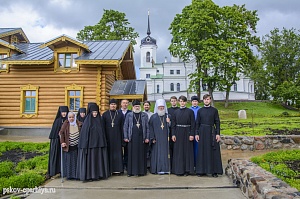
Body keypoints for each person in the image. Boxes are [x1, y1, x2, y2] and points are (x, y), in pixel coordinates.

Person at [77, 104, 109, 181]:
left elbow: (102, 132)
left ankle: (98, 175)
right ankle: (89, 176)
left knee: (98, 161)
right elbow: (84, 134)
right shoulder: (87, 121)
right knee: (90, 162)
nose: (95, 114)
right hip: (90, 147)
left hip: (98, 146)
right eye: (93, 112)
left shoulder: (99, 120)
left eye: (96, 112)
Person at [195, 94, 223, 177]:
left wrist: (218, 133)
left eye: (208, 99)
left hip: (211, 132)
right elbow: (197, 123)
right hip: (202, 131)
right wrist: (197, 133)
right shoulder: (200, 111)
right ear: (203, 100)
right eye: (205, 99)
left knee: (212, 150)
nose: (206, 101)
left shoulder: (214, 110)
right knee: (202, 151)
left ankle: (213, 171)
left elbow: (217, 122)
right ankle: (201, 170)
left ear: (210, 100)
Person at [123, 99, 149, 177]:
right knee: (132, 155)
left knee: (141, 155)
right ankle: (131, 172)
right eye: (135, 106)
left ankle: (141, 171)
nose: (137, 108)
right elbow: (125, 127)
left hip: (141, 138)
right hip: (132, 138)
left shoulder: (144, 115)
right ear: (133, 107)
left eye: (138, 106)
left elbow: (147, 127)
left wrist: (147, 137)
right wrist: (126, 137)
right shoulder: (129, 115)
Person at [171, 95, 195, 176]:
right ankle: (178, 169)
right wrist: (173, 134)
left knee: (187, 151)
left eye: (184, 101)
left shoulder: (190, 111)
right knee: (179, 151)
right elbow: (173, 125)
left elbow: (193, 124)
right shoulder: (175, 112)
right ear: (179, 102)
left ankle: (187, 170)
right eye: (181, 101)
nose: (182, 103)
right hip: (178, 132)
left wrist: (192, 134)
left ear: (186, 102)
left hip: (187, 132)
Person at [102, 99, 124, 175]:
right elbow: (103, 127)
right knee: (109, 154)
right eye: (112, 104)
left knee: (118, 154)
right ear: (109, 105)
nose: (113, 106)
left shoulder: (120, 114)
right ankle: (109, 170)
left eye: (114, 104)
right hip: (108, 138)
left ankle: (118, 170)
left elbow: (122, 127)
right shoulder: (105, 114)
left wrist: (122, 139)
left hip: (118, 137)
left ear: (116, 106)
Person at [149, 99, 171, 174]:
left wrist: (169, 122)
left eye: (162, 107)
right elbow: (150, 128)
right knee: (157, 154)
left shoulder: (168, 116)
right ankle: (157, 169)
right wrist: (152, 138)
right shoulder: (153, 117)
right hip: (157, 139)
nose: (161, 108)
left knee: (165, 154)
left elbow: (172, 127)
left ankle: (166, 169)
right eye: (159, 107)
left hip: (165, 139)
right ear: (157, 107)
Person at [48, 106, 69, 178]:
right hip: (57, 141)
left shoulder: (68, 120)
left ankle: (64, 171)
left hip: (65, 142)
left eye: (65, 112)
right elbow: (55, 132)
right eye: (63, 112)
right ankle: (54, 172)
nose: (64, 114)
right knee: (56, 156)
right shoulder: (58, 121)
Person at [59, 112, 82, 180]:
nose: (71, 119)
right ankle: (70, 176)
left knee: (77, 160)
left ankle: (77, 175)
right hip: (69, 146)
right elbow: (61, 133)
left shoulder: (79, 123)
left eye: (72, 117)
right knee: (69, 161)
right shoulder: (65, 124)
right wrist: (62, 142)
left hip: (77, 145)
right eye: (70, 117)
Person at [118, 99, 131, 171]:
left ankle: (126, 164)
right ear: (121, 104)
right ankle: (120, 165)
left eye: (126, 103)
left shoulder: (130, 113)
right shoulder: (117, 112)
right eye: (124, 103)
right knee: (119, 150)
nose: (125, 104)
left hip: (128, 134)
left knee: (127, 150)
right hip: (119, 134)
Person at [167, 96, 179, 171]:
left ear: (177, 101)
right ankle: (171, 166)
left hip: (178, 131)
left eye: (175, 101)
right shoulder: (168, 110)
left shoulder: (179, 109)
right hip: (170, 132)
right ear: (170, 102)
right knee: (170, 149)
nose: (173, 102)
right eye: (172, 101)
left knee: (177, 149)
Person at [189, 96, 201, 168]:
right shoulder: (189, 110)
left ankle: (197, 164)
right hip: (190, 130)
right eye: (193, 101)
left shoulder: (200, 110)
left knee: (197, 148)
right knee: (190, 148)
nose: (194, 102)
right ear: (191, 102)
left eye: (196, 101)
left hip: (198, 130)